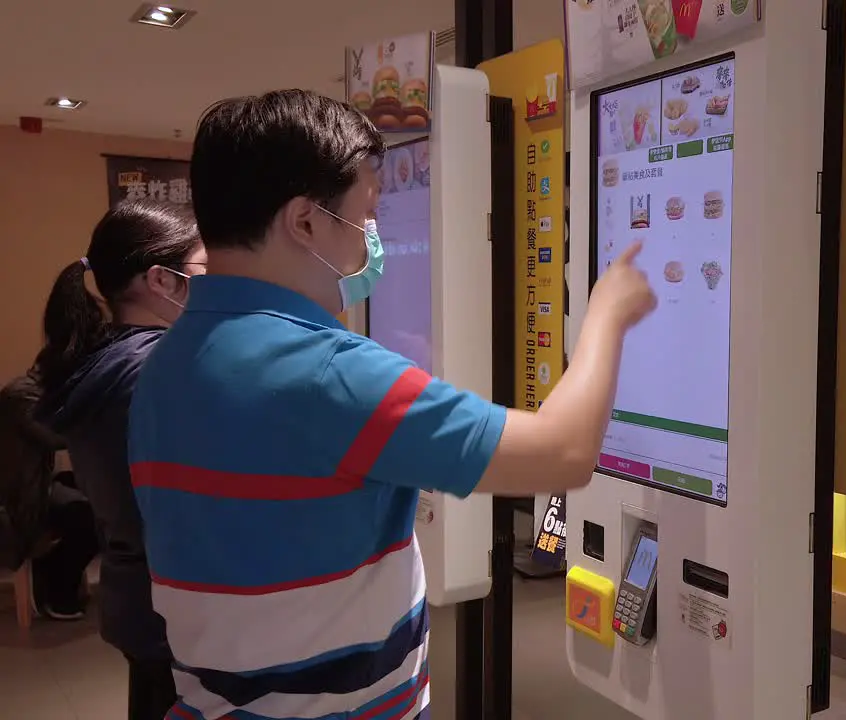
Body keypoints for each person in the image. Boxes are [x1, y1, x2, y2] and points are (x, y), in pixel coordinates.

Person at [128, 89, 656, 720]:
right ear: (305, 222)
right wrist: (605, 313)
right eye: (366, 215)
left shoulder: (166, 361)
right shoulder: (331, 374)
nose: (372, 239)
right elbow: (564, 453)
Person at [32, 199, 206, 720]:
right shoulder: (162, 370)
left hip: (137, 597)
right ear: (163, 280)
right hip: (175, 608)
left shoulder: (107, 360)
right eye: (205, 269)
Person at [0, 372, 97, 621]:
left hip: (32, 486)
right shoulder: (21, 396)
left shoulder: (28, 392)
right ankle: (58, 590)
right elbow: (53, 438)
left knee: (97, 494)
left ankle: (57, 573)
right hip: (20, 497)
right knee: (91, 515)